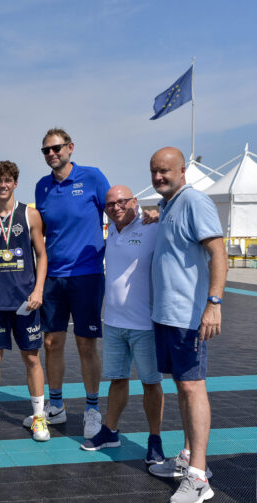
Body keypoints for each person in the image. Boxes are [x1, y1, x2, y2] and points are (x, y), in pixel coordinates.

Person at [146, 147, 226, 503]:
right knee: (182, 385)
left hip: (188, 317)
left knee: (193, 387)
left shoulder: (195, 201)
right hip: (167, 316)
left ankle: (198, 477)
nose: (158, 177)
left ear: (182, 171)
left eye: (165, 171)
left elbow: (218, 252)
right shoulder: (167, 206)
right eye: (154, 171)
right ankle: (188, 457)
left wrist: (214, 303)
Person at [80, 186, 165, 464]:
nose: (115, 207)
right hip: (114, 323)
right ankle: (110, 431)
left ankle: (155, 440)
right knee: (117, 380)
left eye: (122, 202)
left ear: (134, 202)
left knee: (151, 383)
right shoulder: (113, 232)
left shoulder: (152, 226)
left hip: (145, 324)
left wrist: (160, 213)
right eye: (110, 204)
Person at [34, 128, 109, 439]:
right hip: (53, 277)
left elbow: (117, 213)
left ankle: (92, 408)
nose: (52, 154)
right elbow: (39, 233)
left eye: (56, 148)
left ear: (70, 148)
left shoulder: (92, 177)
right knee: (51, 343)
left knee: (85, 343)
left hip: (86, 275)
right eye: (46, 150)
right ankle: (56, 406)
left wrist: (144, 218)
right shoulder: (42, 187)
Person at [0, 161, 50, 441]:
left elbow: (42, 254)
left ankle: (38, 417)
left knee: (32, 357)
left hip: (25, 300)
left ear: (15, 183)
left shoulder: (30, 214)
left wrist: (38, 290)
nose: (2, 185)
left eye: (7, 180)